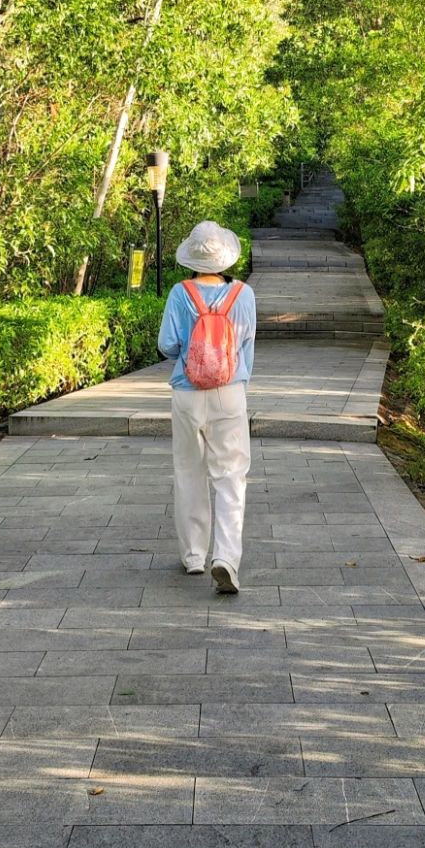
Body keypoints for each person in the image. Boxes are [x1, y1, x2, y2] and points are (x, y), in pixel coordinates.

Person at [156, 220, 257, 593]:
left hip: (186, 393)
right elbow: (246, 346)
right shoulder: (243, 295)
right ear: (226, 257)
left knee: (188, 472)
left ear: (193, 258)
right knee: (231, 477)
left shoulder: (180, 293)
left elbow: (168, 345)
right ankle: (226, 558)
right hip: (229, 392)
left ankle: (194, 556)